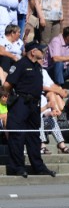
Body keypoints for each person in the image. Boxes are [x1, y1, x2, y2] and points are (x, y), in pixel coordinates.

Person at [2, 42, 56, 178]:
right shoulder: (20, 65)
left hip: (34, 105)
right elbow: (7, 85)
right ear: (33, 51)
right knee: (17, 136)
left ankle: (39, 167)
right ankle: (17, 167)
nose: (43, 52)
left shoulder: (37, 66)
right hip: (21, 103)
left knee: (34, 136)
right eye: (41, 50)